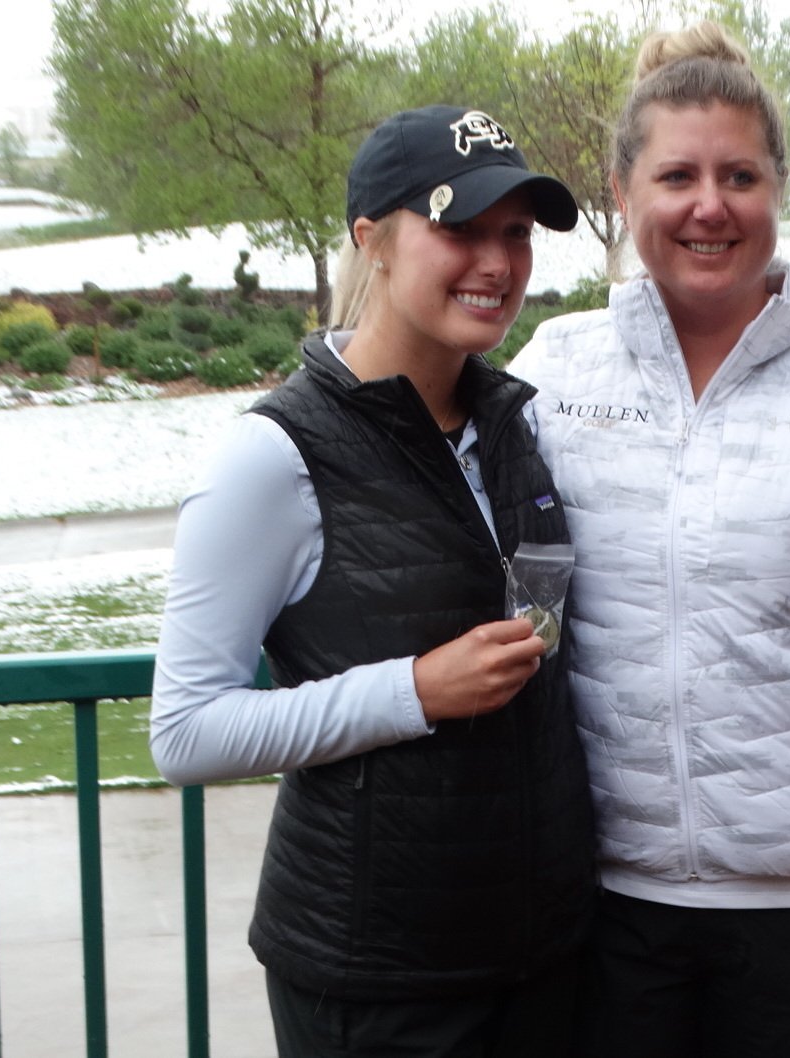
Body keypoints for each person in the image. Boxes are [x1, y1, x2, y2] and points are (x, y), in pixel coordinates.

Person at [509, 23, 790, 1058]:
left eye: (740, 176)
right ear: (621, 192)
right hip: (603, 910)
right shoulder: (554, 371)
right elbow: (511, 597)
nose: (709, 205)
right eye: (676, 175)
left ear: (776, 190)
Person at [150, 104, 596, 1058]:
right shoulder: (271, 457)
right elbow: (185, 732)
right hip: (377, 983)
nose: (497, 263)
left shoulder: (514, 425)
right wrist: (413, 691)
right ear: (373, 239)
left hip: (543, 960)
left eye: (517, 233)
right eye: (460, 227)